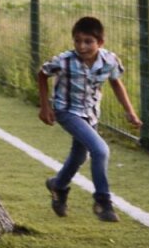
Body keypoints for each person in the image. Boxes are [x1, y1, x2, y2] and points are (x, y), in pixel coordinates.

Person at [37, 16, 140, 223]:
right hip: (67, 111)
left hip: (91, 113)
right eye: (77, 41)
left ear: (100, 42)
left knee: (78, 156)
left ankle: (58, 185)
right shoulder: (64, 60)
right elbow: (42, 73)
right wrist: (45, 106)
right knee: (100, 150)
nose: (82, 46)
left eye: (88, 42)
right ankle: (102, 201)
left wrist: (130, 111)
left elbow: (116, 83)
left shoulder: (110, 60)